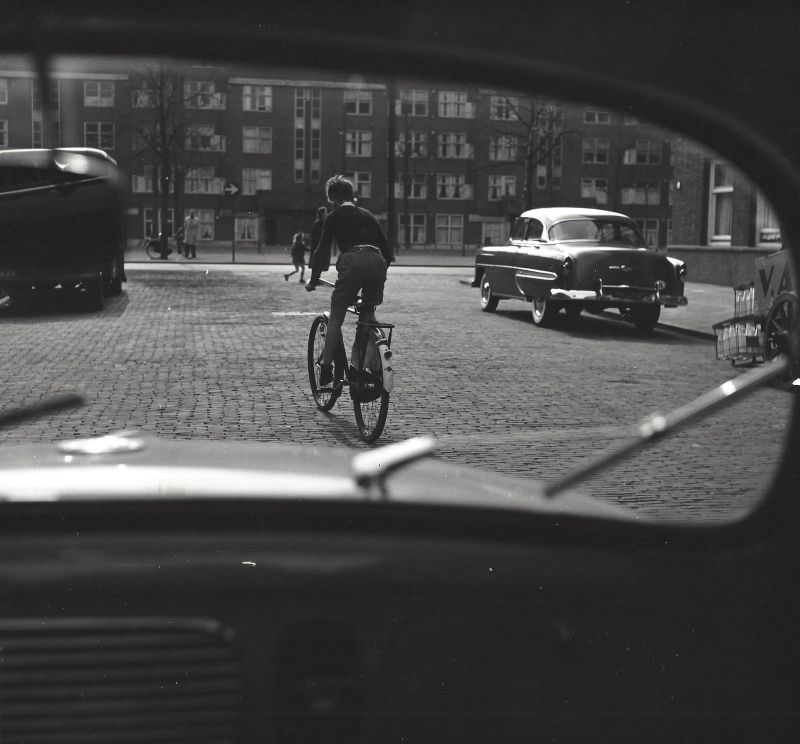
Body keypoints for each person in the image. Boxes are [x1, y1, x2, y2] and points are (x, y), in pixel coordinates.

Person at [306, 175, 393, 386]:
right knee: (368, 316)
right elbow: (387, 251)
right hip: (377, 261)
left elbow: (323, 250)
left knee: (336, 316)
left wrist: (315, 277)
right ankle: (364, 367)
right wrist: (378, 272)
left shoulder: (334, 217)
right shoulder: (368, 215)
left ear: (333, 198)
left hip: (352, 262)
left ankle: (327, 368)